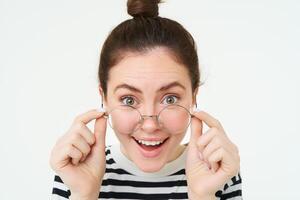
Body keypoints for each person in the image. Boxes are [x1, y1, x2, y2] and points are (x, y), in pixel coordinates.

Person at [50, 0, 242, 199]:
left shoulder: (217, 171)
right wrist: (84, 194)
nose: (150, 125)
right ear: (104, 98)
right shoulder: (75, 169)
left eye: (170, 99)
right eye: (129, 100)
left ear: (193, 97)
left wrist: (201, 195)